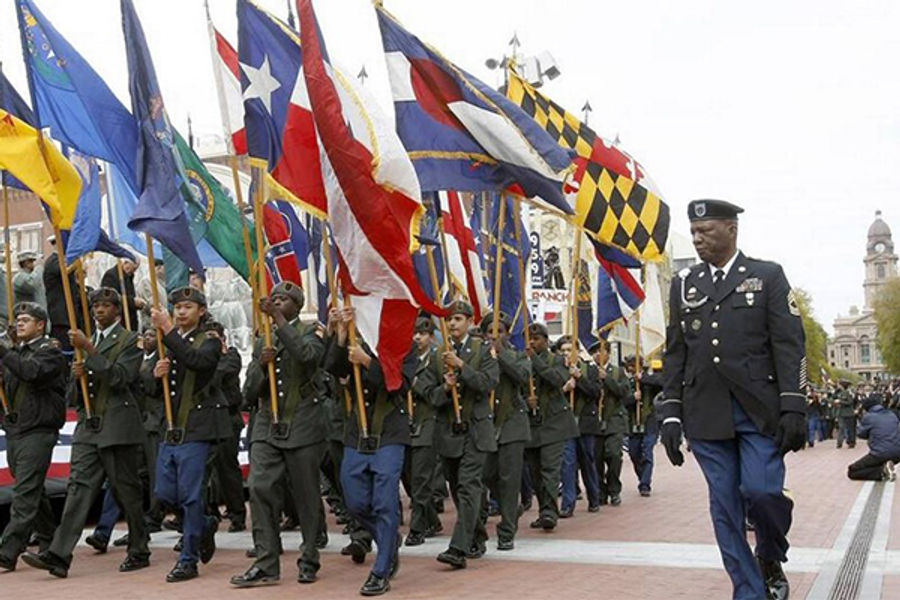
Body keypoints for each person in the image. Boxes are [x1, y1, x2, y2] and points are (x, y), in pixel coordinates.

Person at [660, 199, 807, 600]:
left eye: (705, 231)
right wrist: (669, 413)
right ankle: (749, 591)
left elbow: (791, 344)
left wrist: (794, 403)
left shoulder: (767, 276)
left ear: (731, 229)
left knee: (762, 493)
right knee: (725, 508)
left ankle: (771, 555)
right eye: (693, 232)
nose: (697, 238)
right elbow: (676, 352)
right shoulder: (685, 283)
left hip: (759, 412)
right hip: (706, 415)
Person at [22, 288, 150, 577]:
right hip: (89, 428)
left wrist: (90, 352)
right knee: (78, 489)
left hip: (118, 427)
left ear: (118, 310)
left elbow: (121, 378)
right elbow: (77, 394)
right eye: (96, 306)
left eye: (106, 305)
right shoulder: (88, 340)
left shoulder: (130, 341)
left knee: (126, 491)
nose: (100, 310)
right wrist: (76, 378)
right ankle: (59, 554)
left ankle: (139, 547)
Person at [231, 282, 326, 587]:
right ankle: (266, 562)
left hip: (302, 423)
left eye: (284, 299)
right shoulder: (264, 340)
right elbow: (248, 393)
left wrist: (280, 322)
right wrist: (261, 365)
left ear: (297, 306)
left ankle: (309, 557)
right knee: (259, 488)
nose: (276, 302)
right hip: (267, 425)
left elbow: (308, 357)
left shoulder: (311, 332)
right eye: (273, 299)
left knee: (306, 495)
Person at [324, 305, 413, 596]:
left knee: (384, 503)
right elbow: (332, 368)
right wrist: (339, 336)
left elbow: (400, 384)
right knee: (356, 503)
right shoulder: (354, 338)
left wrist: (367, 363)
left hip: (389, 432)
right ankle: (389, 541)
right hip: (357, 433)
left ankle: (381, 569)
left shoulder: (400, 341)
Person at [415, 300, 498, 569]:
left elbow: (488, 382)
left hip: (475, 429)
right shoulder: (439, 355)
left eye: (458, 319)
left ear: (470, 321)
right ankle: (477, 535)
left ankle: (458, 549)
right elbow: (428, 394)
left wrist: (462, 366)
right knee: (455, 486)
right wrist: (444, 386)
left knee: (468, 486)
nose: (452, 324)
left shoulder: (482, 350)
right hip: (449, 432)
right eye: (449, 319)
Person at [149, 287, 223, 582]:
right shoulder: (166, 342)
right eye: (177, 307)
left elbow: (198, 362)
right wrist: (155, 375)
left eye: (187, 307)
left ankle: (188, 559)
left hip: (197, 428)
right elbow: (150, 387)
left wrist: (167, 330)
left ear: (201, 311)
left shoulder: (210, 340)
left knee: (191, 496)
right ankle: (204, 525)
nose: (180, 312)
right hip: (171, 429)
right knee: (164, 493)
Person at [0, 303, 67, 572]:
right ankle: (49, 540)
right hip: (16, 429)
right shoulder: (18, 353)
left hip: (38, 430)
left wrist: (5, 352)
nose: (19, 324)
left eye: (26, 320)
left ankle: (8, 551)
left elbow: (32, 373)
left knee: (25, 492)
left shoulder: (49, 351)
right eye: (18, 320)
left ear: (41, 325)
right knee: (34, 491)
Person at [477, 312, 531, 549]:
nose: (494, 336)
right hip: (487, 425)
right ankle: (511, 506)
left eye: (499, 331)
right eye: (490, 332)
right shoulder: (479, 356)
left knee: (509, 479)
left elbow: (522, 375)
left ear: (508, 333)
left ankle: (507, 530)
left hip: (511, 424)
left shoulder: (519, 355)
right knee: (486, 474)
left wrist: (501, 355)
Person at [524, 322, 578, 531]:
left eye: (536, 338)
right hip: (532, 424)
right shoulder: (522, 361)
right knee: (535, 472)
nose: (532, 342)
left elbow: (556, 379)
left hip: (554, 424)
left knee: (549, 470)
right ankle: (544, 510)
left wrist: (535, 360)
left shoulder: (557, 361)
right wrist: (526, 401)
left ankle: (549, 513)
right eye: (529, 338)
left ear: (546, 341)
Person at [404, 317, 443, 547]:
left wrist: (416, 383)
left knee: (420, 479)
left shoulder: (437, 359)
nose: (417, 337)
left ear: (431, 336)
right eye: (415, 333)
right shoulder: (406, 359)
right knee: (412, 479)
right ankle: (432, 520)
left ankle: (417, 528)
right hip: (408, 425)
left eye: (422, 333)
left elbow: (439, 396)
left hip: (429, 424)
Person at [206, 321, 246, 533]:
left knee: (227, 468)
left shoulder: (231, 355)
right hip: (209, 419)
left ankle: (237, 513)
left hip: (229, 418)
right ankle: (211, 510)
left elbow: (218, 375)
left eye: (214, 336)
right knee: (208, 469)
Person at [557, 335, 601, 515]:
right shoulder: (557, 369)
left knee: (587, 461)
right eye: (563, 350)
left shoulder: (589, 369)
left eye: (569, 349)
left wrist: (580, 378)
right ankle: (568, 504)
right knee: (567, 464)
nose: (566, 353)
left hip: (585, 423)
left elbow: (595, 393)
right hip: (566, 424)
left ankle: (594, 497)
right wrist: (564, 389)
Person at [590, 339, 632, 506]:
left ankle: (614, 488)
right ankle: (600, 490)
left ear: (608, 353)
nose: (598, 355)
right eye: (595, 352)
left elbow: (623, 392)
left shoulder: (618, 372)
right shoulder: (588, 372)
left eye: (601, 351)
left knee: (614, 455)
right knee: (597, 459)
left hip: (614, 420)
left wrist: (606, 378)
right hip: (595, 421)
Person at [624, 356, 663, 497]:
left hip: (649, 423)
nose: (632, 369)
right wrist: (632, 398)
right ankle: (642, 476)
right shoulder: (626, 382)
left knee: (647, 452)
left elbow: (663, 382)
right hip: (633, 423)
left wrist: (644, 378)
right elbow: (620, 401)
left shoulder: (648, 381)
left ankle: (645, 484)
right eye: (630, 366)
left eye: (634, 366)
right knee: (634, 453)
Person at [43, 237, 84, 352]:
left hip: (69, 316)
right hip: (61, 318)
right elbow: (64, 270)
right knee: (64, 350)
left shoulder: (61, 260)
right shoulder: (53, 261)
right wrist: (77, 258)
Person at [847, 391, 900, 480]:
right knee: (874, 462)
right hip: (898, 453)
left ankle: (881, 472)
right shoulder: (891, 414)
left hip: (880, 453)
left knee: (852, 471)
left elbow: (861, 434)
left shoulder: (869, 417)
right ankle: (885, 468)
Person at [101, 258, 146, 332]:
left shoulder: (128, 276)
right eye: (133, 268)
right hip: (118, 321)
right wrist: (132, 302)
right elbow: (109, 297)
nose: (133, 271)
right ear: (126, 263)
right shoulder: (111, 275)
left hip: (129, 321)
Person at [834, 380, 857, 449]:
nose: (838, 386)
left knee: (850, 429)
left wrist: (840, 401)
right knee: (841, 428)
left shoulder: (848, 393)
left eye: (839, 385)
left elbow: (850, 402)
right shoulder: (839, 393)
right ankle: (839, 443)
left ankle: (851, 442)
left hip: (848, 413)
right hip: (841, 413)